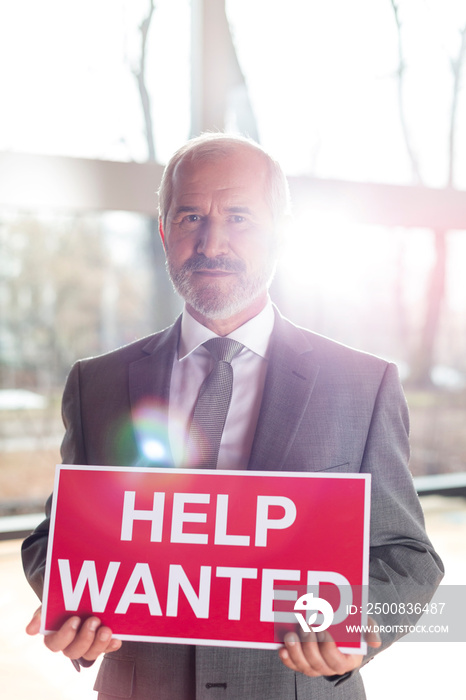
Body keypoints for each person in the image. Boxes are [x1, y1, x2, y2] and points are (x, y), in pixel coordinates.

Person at [22, 133, 443, 699]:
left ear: (281, 235)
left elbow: (409, 557)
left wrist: (356, 630)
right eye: (191, 216)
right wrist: (69, 605)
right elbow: (56, 540)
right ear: (166, 233)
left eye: (239, 217)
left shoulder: (363, 386)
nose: (211, 241)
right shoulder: (96, 383)